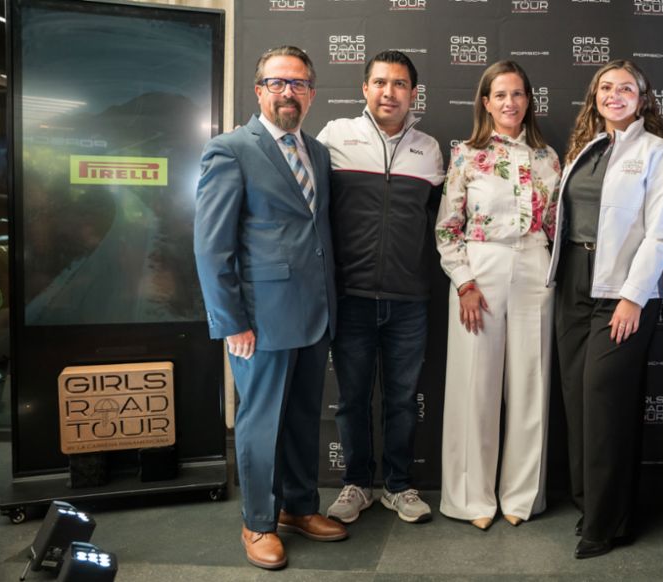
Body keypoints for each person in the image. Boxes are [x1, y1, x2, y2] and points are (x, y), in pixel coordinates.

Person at [194, 45, 347, 570]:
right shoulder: (230, 150)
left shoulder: (317, 153)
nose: (288, 92)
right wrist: (231, 322)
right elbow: (212, 247)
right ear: (259, 90)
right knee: (260, 425)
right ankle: (258, 522)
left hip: (315, 315)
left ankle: (299, 508)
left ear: (312, 93)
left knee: (304, 419)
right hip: (259, 322)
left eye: (298, 83)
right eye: (277, 83)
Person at [546, 59, 663, 558]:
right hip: (574, 284)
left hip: (622, 291)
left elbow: (662, 233)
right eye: (606, 87)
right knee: (578, 400)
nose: (614, 95)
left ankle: (607, 524)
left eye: (626, 88)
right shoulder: (588, 147)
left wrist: (632, 296)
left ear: (643, 99)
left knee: (606, 403)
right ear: (595, 96)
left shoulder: (656, 151)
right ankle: (591, 507)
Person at [316, 50, 444, 525]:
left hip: (409, 299)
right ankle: (356, 483)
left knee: (402, 400)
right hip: (350, 296)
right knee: (351, 399)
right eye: (380, 82)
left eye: (399, 84)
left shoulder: (429, 149)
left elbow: (441, 221)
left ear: (413, 93)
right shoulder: (335, 135)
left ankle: (397, 486)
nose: (389, 92)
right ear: (365, 88)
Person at [435, 60, 560, 530]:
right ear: (486, 103)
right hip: (479, 268)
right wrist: (464, 281)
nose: (510, 103)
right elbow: (447, 227)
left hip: (535, 265)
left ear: (529, 101)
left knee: (532, 381)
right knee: (474, 383)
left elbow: (557, 226)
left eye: (518, 94)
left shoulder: (548, 157)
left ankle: (522, 497)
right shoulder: (466, 155)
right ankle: (471, 499)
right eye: (501, 95)